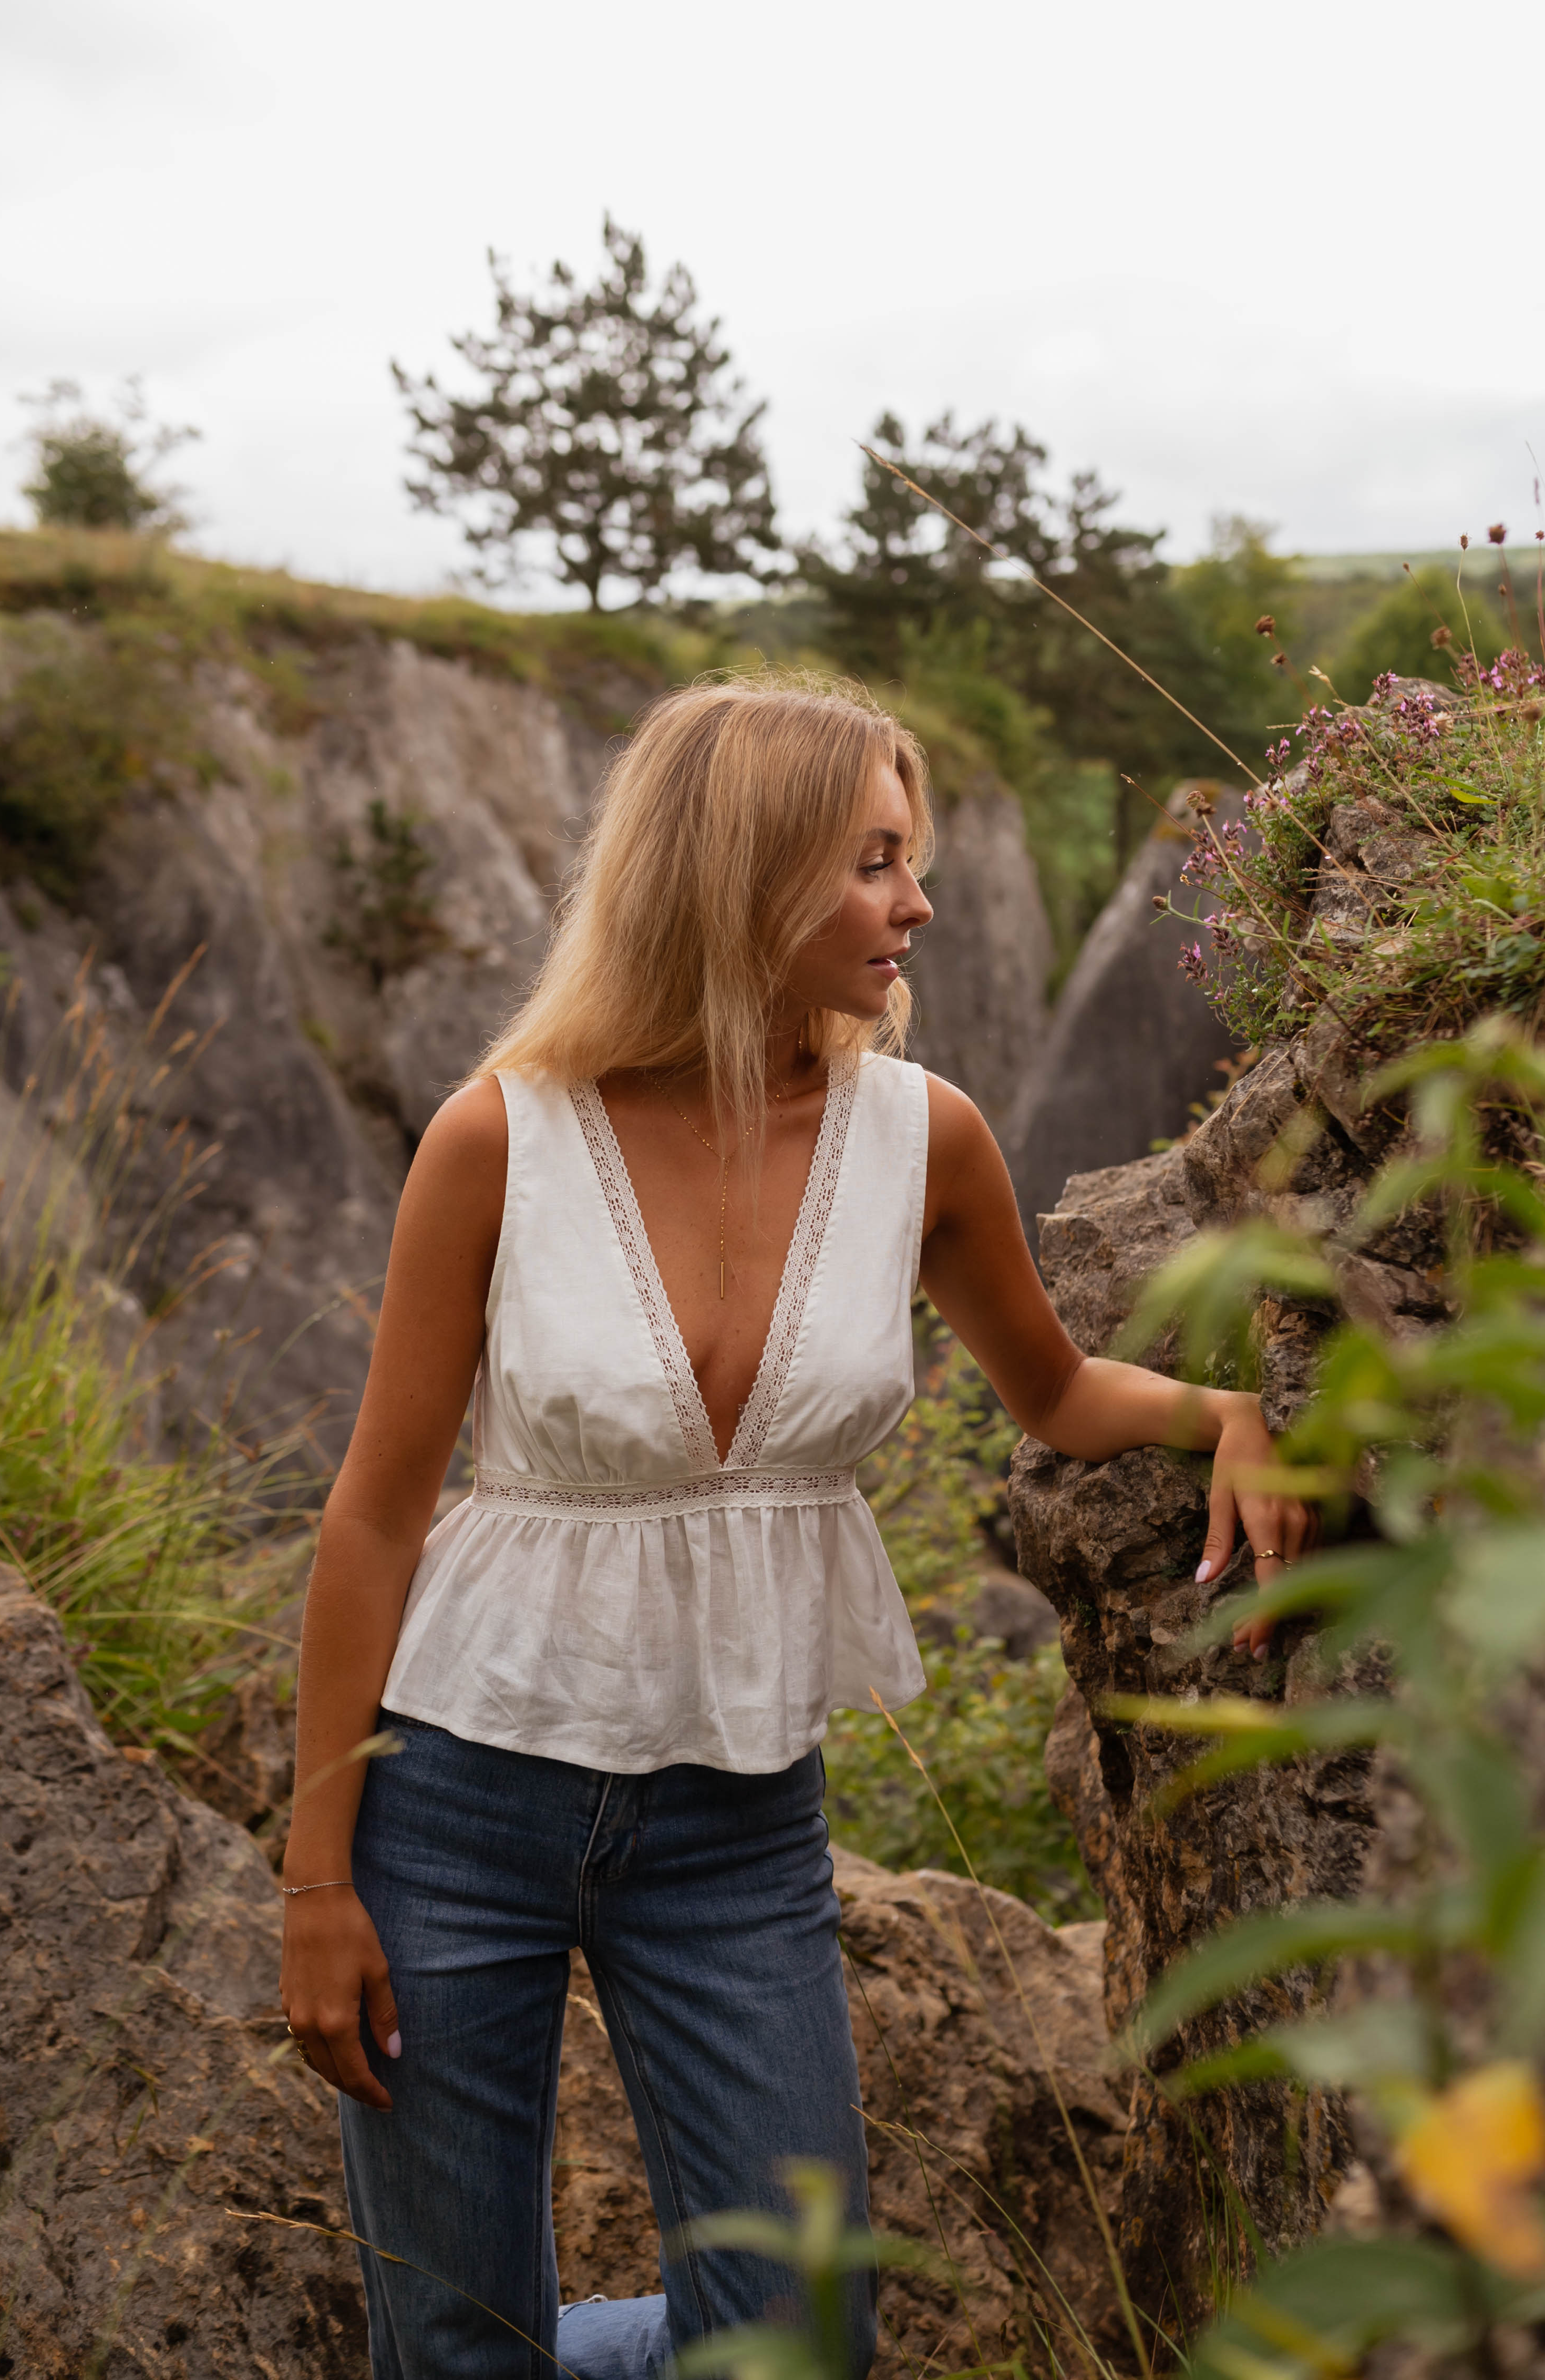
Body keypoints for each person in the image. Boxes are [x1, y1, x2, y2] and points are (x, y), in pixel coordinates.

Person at [279, 675, 1312, 2380]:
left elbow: (1052, 1394)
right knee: (456, 2346)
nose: (918, 905)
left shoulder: (927, 1140)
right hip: (453, 1801)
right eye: (875, 863)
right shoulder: (499, 1139)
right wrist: (317, 1881)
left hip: (739, 1819)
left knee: (799, 2331)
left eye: (912, 861)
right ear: (740, 876)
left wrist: (1232, 1414)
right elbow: (375, 1519)